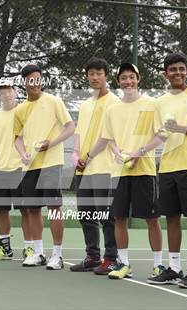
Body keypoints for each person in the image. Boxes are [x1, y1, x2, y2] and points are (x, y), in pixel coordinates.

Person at [86, 63, 165, 280]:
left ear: (138, 79)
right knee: (119, 218)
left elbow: (161, 134)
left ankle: (158, 265)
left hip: (145, 170)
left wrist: (140, 152)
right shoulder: (112, 109)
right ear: (118, 81)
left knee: (152, 218)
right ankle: (124, 264)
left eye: (131, 77)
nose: (128, 81)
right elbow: (108, 138)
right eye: (124, 78)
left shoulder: (152, 104)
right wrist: (117, 153)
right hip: (119, 172)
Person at [147, 52, 187, 288]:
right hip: (167, 167)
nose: (177, 73)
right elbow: (161, 133)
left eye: (181, 69)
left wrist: (180, 128)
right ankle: (174, 268)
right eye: (173, 69)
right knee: (171, 217)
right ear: (165, 74)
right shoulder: (160, 102)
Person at [14, 64, 75, 269]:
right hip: (29, 166)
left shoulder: (54, 101)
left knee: (54, 208)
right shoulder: (20, 109)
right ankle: (38, 253)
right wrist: (22, 153)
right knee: (32, 209)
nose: (35, 83)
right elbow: (17, 139)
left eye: (38, 79)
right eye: (30, 79)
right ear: (25, 83)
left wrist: (52, 143)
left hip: (51, 162)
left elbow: (70, 127)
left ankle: (57, 255)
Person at [69, 57, 119, 275]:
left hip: (105, 167)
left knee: (106, 215)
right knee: (86, 214)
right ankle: (92, 256)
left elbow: (109, 136)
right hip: (84, 169)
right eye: (91, 73)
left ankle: (111, 258)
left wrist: (88, 156)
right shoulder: (86, 105)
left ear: (106, 76)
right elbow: (79, 132)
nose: (95, 77)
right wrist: (76, 154)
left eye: (99, 73)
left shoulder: (115, 103)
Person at [0, 82, 33, 261]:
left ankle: (30, 249)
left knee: (26, 210)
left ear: (14, 93)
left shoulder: (24, 112)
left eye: (9, 92)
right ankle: (5, 248)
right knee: (1, 211)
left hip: (21, 169)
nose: (6, 95)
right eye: (2, 93)